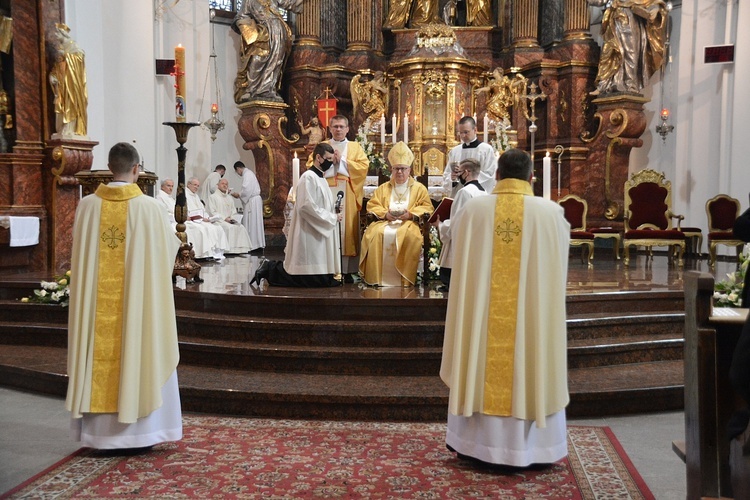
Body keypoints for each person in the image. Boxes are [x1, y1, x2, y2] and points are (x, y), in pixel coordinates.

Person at [440, 148, 571, 467]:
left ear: (496, 175)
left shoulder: (475, 210)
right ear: (531, 177)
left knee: (480, 355)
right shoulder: (551, 214)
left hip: (484, 323)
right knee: (531, 352)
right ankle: (536, 449)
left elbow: (454, 247)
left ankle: (475, 444)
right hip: (530, 322)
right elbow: (558, 271)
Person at [66, 142, 182, 450]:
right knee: (139, 344)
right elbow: (166, 256)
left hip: (97, 312)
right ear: (136, 169)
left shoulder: (88, 206)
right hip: (136, 307)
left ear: (109, 167)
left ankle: (99, 435)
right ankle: (142, 434)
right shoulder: (149, 207)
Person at [252, 143, 342, 287]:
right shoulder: (308, 177)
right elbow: (306, 206)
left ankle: (269, 268)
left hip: (317, 230)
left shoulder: (321, 178)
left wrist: (334, 209)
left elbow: (321, 203)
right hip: (309, 230)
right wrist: (331, 217)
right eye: (329, 159)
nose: (331, 162)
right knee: (304, 276)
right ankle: (269, 269)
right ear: (318, 158)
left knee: (317, 276)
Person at [359, 141, 433, 287]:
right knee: (376, 235)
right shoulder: (382, 188)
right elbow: (372, 205)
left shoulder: (419, 188)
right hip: (385, 222)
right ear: (391, 170)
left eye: (403, 169)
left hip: (408, 224)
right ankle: (378, 278)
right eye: (396, 169)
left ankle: (404, 278)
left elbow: (427, 207)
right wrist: (385, 214)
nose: (399, 172)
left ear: (409, 170)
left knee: (410, 236)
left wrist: (411, 214)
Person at [306, 115, 368, 279]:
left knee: (345, 228)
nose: (338, 129)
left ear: (347, 129)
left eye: (342, 126)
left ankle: (347, 270)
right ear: (330, 128)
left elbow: (363, 167)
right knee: (326, 223)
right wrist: (329, 162)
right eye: (335, 126)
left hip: (346, 190)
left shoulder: (354, 147)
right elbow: (310, 165)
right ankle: (326, 266)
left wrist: (343, 161)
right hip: (324, 188)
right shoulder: (322, 146)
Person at [588, 0, 668, 94]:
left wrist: (655, 7)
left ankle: (630, 85)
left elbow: (651, 2)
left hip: (631, 18)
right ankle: (604, 84)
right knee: (609, 51)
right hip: (615, 19)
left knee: (630, 52)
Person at [231, 0, 303, 103]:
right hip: (263, 33)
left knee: (277, 61)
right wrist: (251, 32)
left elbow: (289, 3)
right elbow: (241, 17)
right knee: (257, 59)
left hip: (279, 32)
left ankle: (269, 89)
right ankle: (255, 90)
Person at [432, 158, 488, 290]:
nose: (458, 176)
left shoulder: (465, 192)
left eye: (460, 173)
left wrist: (440, 225)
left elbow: (457, 222)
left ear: (466, 173)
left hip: (461, 240)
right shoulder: (483, 192)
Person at [442, 116, 497, 196]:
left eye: (466, 132)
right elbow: (447, 174)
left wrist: (466, 176)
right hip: (458, 195)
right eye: (460, 133)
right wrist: (453, 179)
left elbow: (490, 175)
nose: (463, 136)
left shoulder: (486, 150)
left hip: (477, 195)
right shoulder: (455, 151)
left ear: (475, 130)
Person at [49, 23, 87, 137]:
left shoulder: (73, 46)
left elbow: (80, 59)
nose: (55, 35)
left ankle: (70, 128)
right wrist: (52, 76)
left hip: (72, 85)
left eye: (57, 33)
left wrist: (66, 56)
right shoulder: (61, 49)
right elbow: (56, 68)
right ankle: (62, 128)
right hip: (61, 86)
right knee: (60, 105)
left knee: (71, 104)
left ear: (63, 34)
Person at [186, 177, 229, 260]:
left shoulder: (196, 196)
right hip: (192, 220)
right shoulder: (184, 195)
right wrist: (202, 218)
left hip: (201, 219)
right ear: (188, 184)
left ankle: (216, 252)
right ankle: (203, 253)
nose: (196, 187)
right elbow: (189, 212)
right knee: (203, 229)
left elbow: (202, 210)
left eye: (198, 186)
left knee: (217, 227)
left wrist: (208, 218)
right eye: (195, 185)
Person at [207, 178, 252, 254]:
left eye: (226, 184)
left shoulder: (229, 198)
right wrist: (225, 218)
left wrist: (234, 218)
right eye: (223, 184)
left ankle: (240, 249)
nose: (225, 185)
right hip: (219, 221)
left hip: (229, 220)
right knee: (229, 228)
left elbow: (233, 211)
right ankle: (229, 250)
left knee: (241, 227)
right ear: (218, 185)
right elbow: (212, 212)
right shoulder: (213, 197)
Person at [233, 161, 265, 252]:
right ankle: (257, 244)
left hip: (252, 201)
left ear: (238, 169)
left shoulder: (247, 174)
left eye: (236, 171)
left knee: (252, 222)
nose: (238, 173)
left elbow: (246, 190)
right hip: (254, 200)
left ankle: (253, 244)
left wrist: (238, 194)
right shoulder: (249, 173)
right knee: (255, 222)